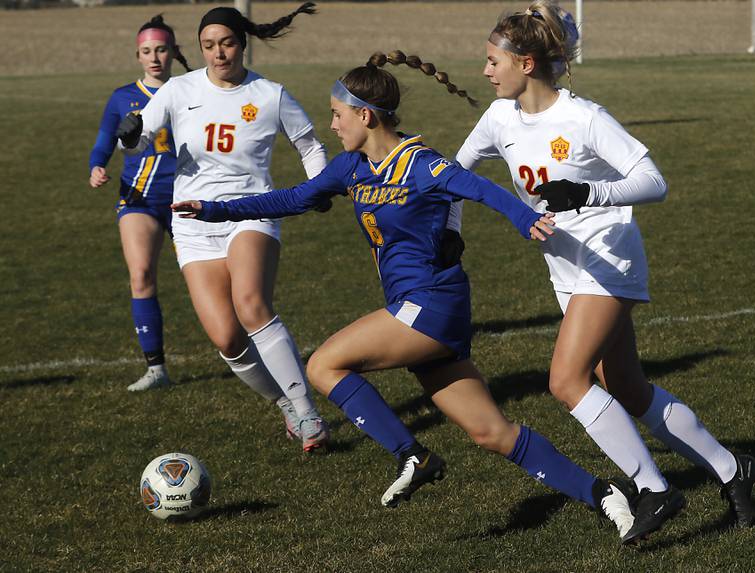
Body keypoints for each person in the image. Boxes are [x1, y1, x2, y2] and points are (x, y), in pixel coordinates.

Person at [172, 51, 640, 540]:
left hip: (434, 304)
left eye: (337, 114)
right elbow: (291, 199)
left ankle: (412, 455)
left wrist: (526, 220)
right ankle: (607, 496)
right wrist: (213, 210)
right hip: (417, 310)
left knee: (324, 365)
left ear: (365, 115)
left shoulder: (422, 165)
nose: (331, 125)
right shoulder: (351, 169)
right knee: (491, 433)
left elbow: (482, 188)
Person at [453, 0, 755, 544]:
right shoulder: (499, 117)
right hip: (566, 268)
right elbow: (455, 174)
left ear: (525, 63)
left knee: (565, 381)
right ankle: (733, 469)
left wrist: (588, 191)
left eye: (492, 60)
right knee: (624, 385)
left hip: (609, 258)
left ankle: (654, 488)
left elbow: (653, 180)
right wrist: (449, 231)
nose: (484, 71)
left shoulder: (584, 118)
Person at [115, 4, 330, 453]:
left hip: (251, 211)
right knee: (227, 338)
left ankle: (307, 409)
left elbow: (310, 145)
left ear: (242, 44)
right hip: (193, 220)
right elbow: (133, 140)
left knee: (251, 304)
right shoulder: (178, 89)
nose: (218, 53)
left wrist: (317, 189)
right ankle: (285, 404)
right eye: (209, 46)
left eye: (227, 43)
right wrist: (128, 131)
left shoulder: (270, 94)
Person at [89, 15, 192, 392]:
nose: (154, 58)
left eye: (162, 49)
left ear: (173, 53)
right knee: (141, 274)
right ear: (137, 55)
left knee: (208, 282)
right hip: (140, 197)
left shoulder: (191, 90)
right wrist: (97, 165)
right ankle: (156, 369)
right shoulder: (122, 97)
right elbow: (104, 139)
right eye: (147, 51)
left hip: (189, 199)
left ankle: (240, 351)